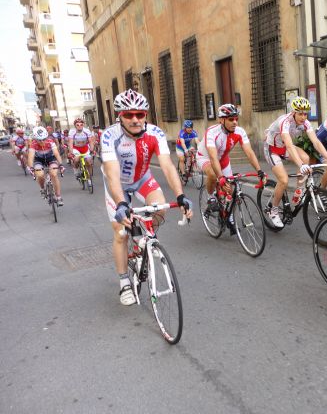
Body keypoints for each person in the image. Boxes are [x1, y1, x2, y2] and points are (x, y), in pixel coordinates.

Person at [101, 89, 193, 306]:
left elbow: (168, 166)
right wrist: (122, 203)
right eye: (129, 114)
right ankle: (124, 281)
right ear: (120, 116)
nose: (135, 119)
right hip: (118, 185)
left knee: (160, 209)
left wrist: (180, 196)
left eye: (140, 114)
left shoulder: (155, 133)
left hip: (142, 179)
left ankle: (144, 243)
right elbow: (112, 173)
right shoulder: (109, 136)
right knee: (121, 233)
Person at [263, 96, 327, 228]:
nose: (303, 117)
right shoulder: (285, 122)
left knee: (306, 158)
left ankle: (299, 190)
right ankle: (273, 210)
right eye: (300, 113)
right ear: (293, 112)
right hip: (272, 149)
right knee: (283, 180)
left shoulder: (305, 123)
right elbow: (290, 145)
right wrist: (301, 166)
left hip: (283, 147)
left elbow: (316, 142)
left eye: (305, 113)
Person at [196, 104, 265, 233]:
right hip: (205, 158)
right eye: (230, 119)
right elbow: (212, 156)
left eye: (236, 119)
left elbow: (249, 152)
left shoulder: (240, 132)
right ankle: (211, 198)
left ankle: (229, 216)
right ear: (221, 120)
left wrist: (259, 171)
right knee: (212, 175)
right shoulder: (212, 132)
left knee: (230, 190)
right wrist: (220, 178)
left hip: (223, 160)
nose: (234, 122)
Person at [27, 126, 65, 206]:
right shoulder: (33, 144)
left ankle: (58, 197)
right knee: (40, 175)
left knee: (54, 174)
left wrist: (61, 164)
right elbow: (30, 157)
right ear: (35, 139)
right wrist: (31, 168)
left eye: (44, 139)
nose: (42, 141)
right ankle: (42, 188)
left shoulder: (50, 142)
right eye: (39, 140)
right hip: (39, 160)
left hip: (50, 158)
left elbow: (56, 154)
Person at [68, 118, 95, 184]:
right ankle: (76, 171)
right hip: (76, 148)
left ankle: (89, 178)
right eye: (77, 125)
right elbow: (70, 143)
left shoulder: (87, 131)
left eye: (81, 125)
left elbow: (91, 141)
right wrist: (71, 152)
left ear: (83, 125)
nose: (79, 126)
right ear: (75, 126)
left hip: (85, 148)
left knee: (89, 162)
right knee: (76, 159)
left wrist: (92, 149)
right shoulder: (72, 132)